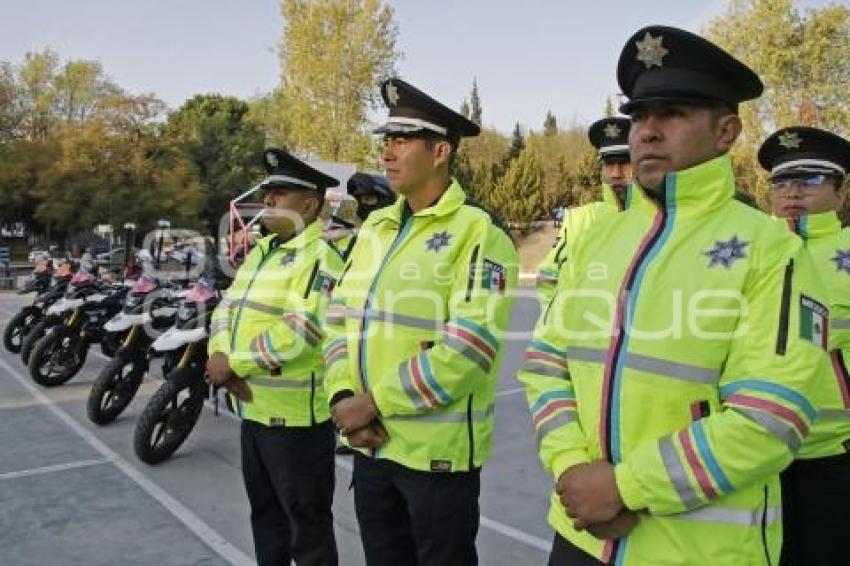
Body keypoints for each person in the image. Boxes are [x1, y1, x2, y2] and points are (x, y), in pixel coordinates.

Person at [518, 25, 831, 565]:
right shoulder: (595, 241)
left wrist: (624, 487)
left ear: (726, 130)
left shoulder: (770, 252)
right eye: (640, 115)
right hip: (579, 536)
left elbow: (769, 418)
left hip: (697, 551)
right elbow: (546, 365)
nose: (647, 132)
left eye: (674, 113)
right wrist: (571, 468)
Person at [324, 78, 518, 565]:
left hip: (435, 461)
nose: (388, 152)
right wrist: (343, 397)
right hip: (371, 449)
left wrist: (374, 404)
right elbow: (338, 319)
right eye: (386, 141)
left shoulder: (478, 232)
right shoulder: (376, 228)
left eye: (402, 140)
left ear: (440, 152)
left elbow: (468, 348)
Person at [206, 148, 343, 566]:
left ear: (309, 204)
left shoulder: (322, 257)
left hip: (297, 425)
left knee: (308, 532)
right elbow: (226, 309)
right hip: (253, 412)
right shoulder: (263, 253)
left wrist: (235, 364)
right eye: (266, 193)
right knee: (266, 521)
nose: (266, 201)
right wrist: (218, 355)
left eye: (277, 193)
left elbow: (302, 330)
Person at [758, 126, 850, 566]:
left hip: (835, 452)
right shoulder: (750, 251)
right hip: (759, 448)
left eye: (810, 180)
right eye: (781, 181)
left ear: (839, 193)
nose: (792, 191)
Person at [536, 117, 632, 306]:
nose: (616, 173)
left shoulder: (661, 219)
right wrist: (561, 326)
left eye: (625, 162)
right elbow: (548, 278)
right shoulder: (578, 221)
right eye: (609, 164)